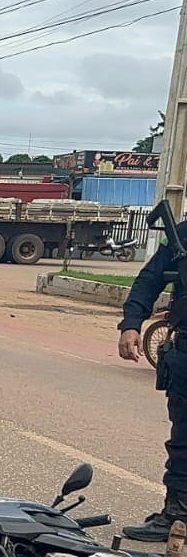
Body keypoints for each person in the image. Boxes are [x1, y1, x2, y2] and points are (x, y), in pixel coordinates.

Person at [120, 223, 187, 540]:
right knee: (184, 440)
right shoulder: (182, 235)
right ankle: (177, 516)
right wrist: (131, 324)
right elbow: (149, 280)